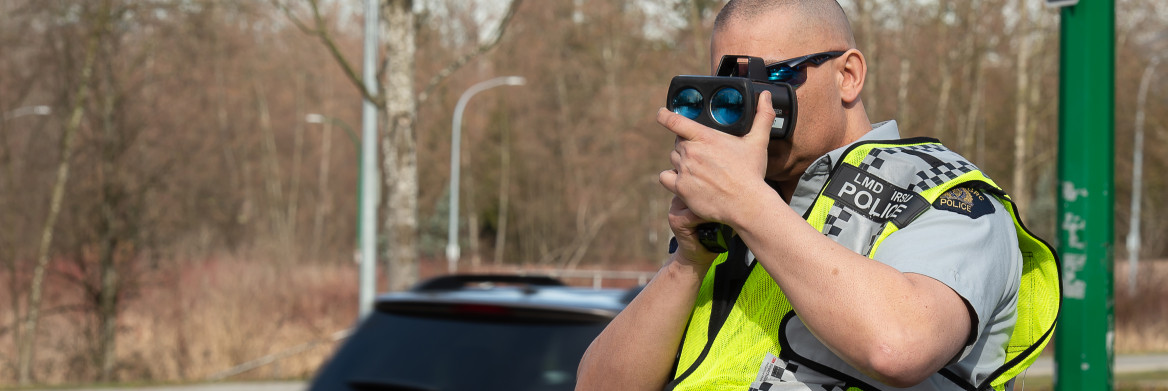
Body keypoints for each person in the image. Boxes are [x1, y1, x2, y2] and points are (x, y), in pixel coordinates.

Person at [576, 1, 1059, 390]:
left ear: (847, 75)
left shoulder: (943, 194)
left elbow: (898, 347)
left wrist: (747, 204)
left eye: (774, 79)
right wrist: (689, 258)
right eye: (732, 87)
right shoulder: (737, 210)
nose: (752, 104)